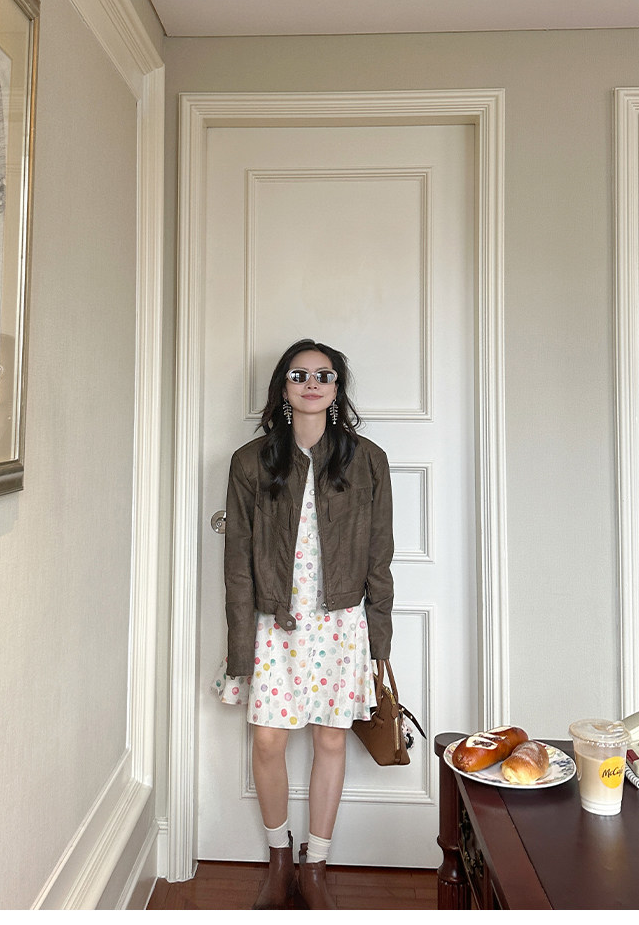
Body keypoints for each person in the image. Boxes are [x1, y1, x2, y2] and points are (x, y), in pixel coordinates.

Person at [216, 339, 395, 909]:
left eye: (324, 375)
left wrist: (380, 642)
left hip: (340, 621)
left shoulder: (368, 459)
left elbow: (380, 557)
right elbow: (237, 564)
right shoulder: (251, 461)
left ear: (337, 387)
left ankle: (315, 864)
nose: (311, 383)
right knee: (268, 739)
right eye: (299, 375)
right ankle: (279, 858)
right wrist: (239, 648)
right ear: (283, 387)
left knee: (330, 739)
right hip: (275, 620)